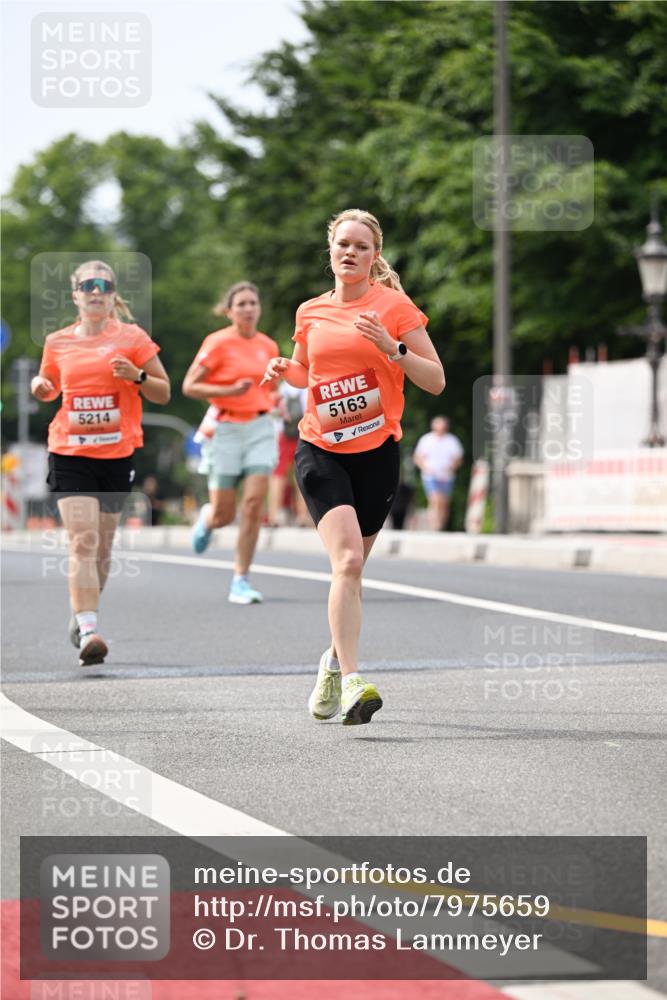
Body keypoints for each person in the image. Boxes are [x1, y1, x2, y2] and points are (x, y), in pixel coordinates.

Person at [261, 208, 445, 725]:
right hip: (320, 448)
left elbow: (435, 380)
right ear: (331, 250)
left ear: (374, 255)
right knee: (346, 562)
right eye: (343, 243)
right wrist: (285, 368)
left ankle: (332, 661)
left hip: (377, 453)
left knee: (354, 570)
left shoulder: (394, 307)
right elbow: (307, 372)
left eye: (361, 246)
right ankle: (354, 681)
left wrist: (393, 348)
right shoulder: (310, 311)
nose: (350, 252)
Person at [31, 259, 170, 666]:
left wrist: (137, 376)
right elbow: (49, 387)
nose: (96, 291)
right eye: (88, 285)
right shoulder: (57, 341)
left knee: (103, 549)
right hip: (69, 452)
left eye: (104, 285)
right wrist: (39, 386)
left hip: (116, 454)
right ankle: (89, 629)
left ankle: (83, 611)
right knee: (83, 541)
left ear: (113, 296)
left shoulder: (132, 338)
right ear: (75, 295)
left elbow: (163, 392)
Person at [183, 281, 278, 604]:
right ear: (229, 311)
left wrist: (276, 403)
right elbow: (190, 386)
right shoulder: (217, 342)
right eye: (241, 304)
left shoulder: (268, 346)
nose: (248, 309)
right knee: (225, 514)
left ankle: (241, 579)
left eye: (253, 303)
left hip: (260, 428)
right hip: (225, 429)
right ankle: (208, 519)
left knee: (252, 505)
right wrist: (229, 390)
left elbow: (271, 388)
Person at [268, 381, 311, 527]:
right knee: (302, 475)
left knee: (278, 475)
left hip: (283, 435)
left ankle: (273, 516)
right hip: (303, 434)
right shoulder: (307, 388)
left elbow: (273, 414)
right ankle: (302, 516)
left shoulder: (282, 388)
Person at [413, 416, 464, 530]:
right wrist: (425, 468)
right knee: (435, 500)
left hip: (446, 476)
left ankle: (441, 527)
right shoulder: (426, 439)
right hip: (430, 476)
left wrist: (452, 467)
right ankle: (434, 526)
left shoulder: (452, 441)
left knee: (444, 503)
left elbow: (458, 458)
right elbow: (418, 457)